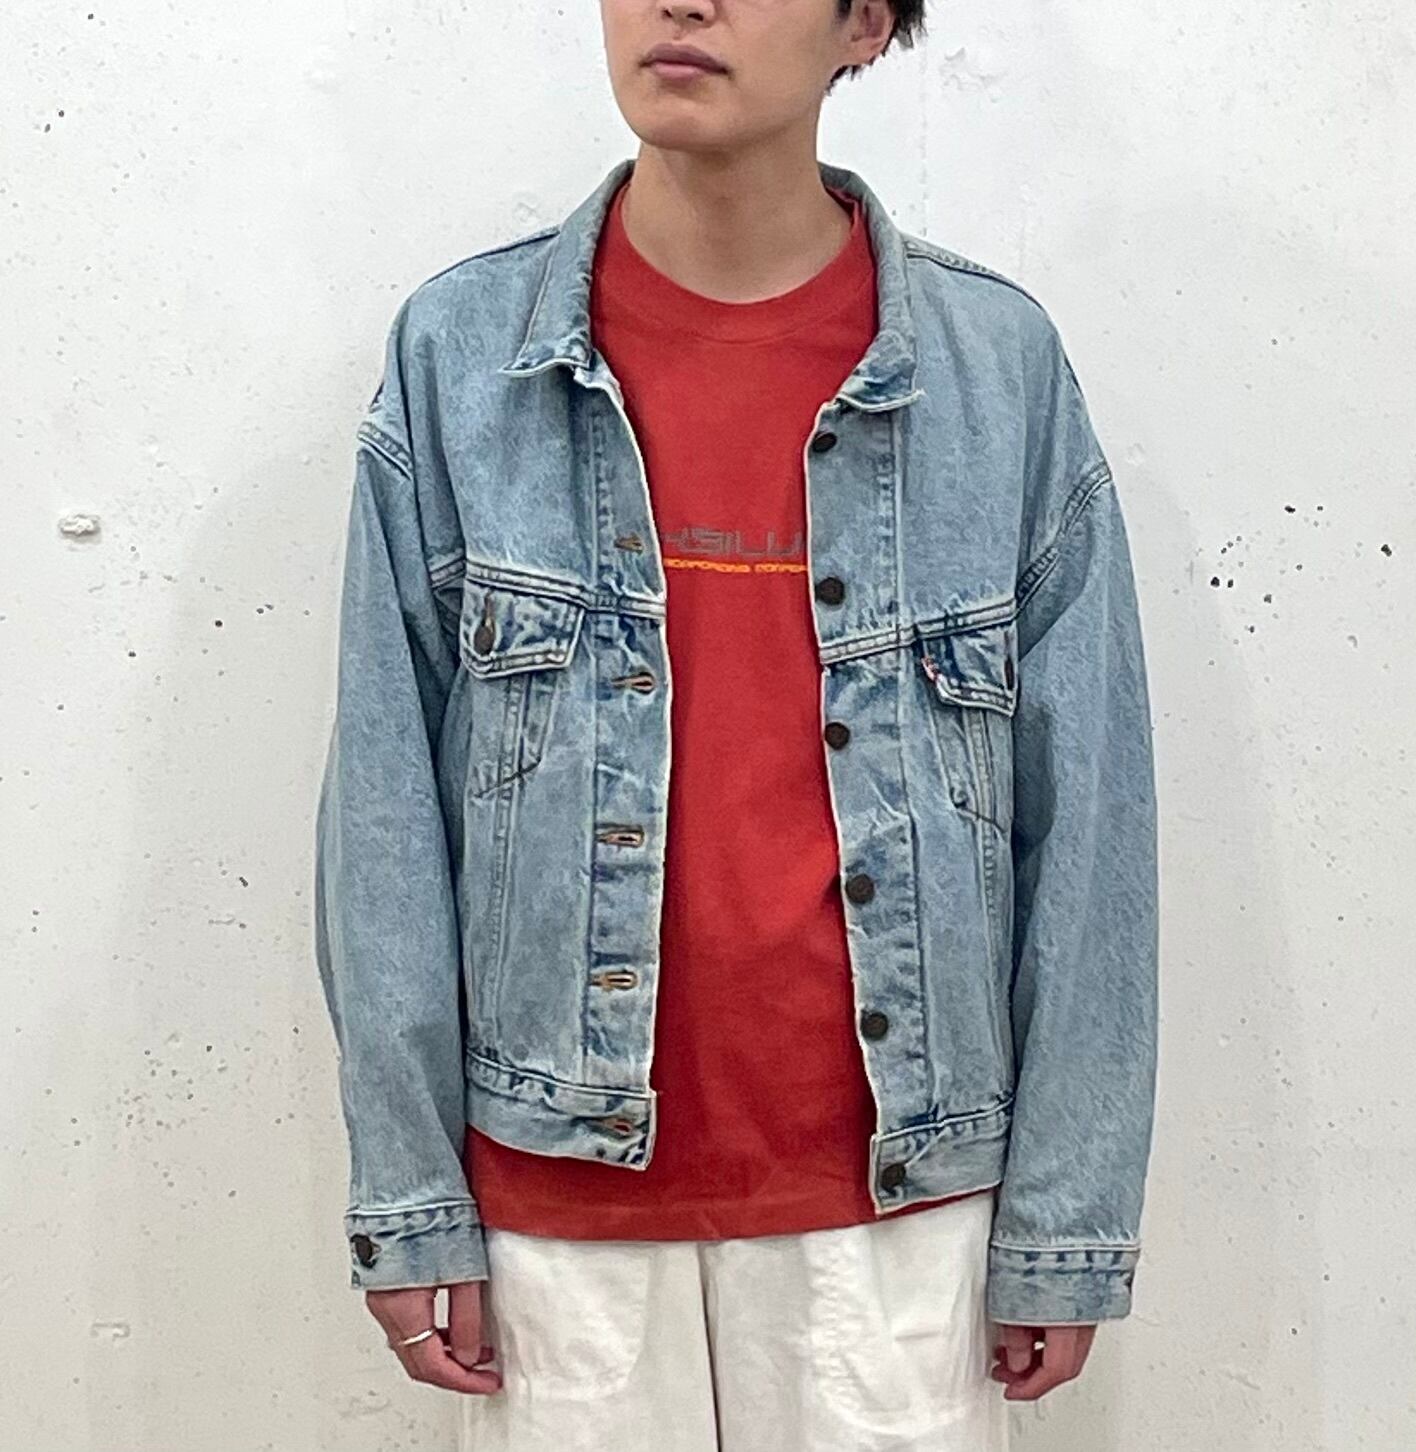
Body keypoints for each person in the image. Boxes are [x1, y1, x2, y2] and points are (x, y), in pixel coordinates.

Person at [312, 2, 1160, 1447]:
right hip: (558, 1220)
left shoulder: (994, 370)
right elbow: (384, 811)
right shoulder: (461, 357)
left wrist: (1065, 1219)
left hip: (900, 1219)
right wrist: (410, 1194)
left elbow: (1089, 827)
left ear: (866, 24)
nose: (680, 2)